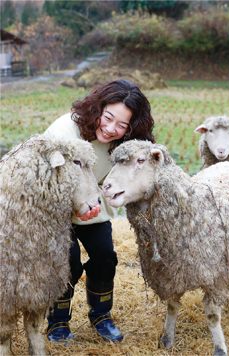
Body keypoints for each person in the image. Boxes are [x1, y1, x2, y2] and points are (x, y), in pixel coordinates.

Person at [44, 79, 155, 344]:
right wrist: (77, 204)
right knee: (67, 263)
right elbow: (48, 179)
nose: (110, 128)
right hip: (55, 207)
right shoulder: (65, 131)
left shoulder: (124, 142)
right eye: (108, 117)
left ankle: (101, 315)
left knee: (106, 258)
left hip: (95, 207)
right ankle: (58, 322)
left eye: (122, 125)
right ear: (98, 108)